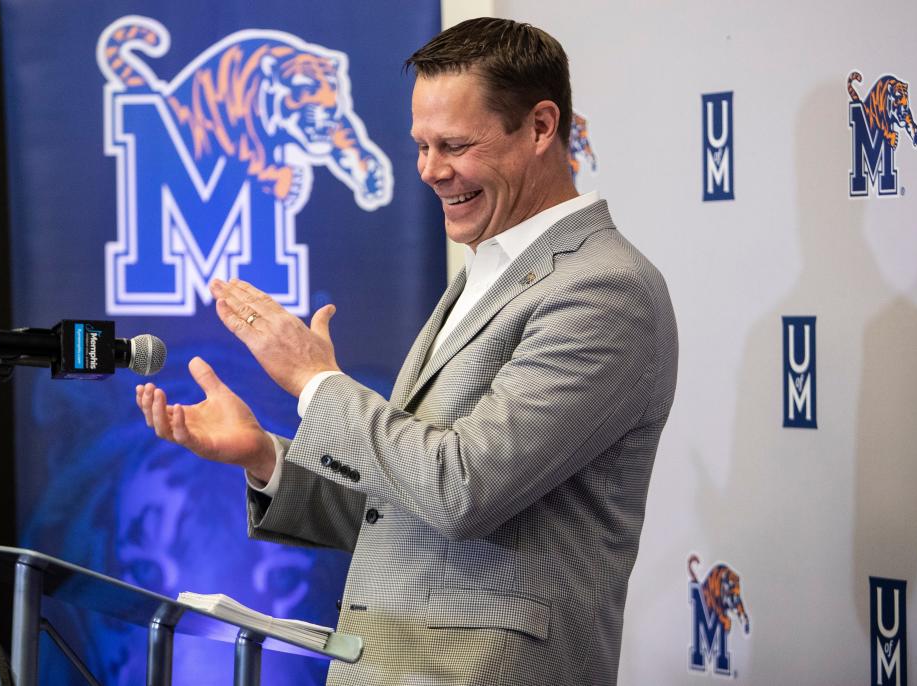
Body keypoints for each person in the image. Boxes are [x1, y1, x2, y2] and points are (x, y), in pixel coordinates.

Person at [137, 17, 677, 686]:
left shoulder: (604, 290)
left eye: (454, 145)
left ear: (541, 127)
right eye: (420, 145)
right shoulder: (486, 274)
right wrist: (265, 457)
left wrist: (315, 383)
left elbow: (463, 489)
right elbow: (403, 508)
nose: (429, 171)